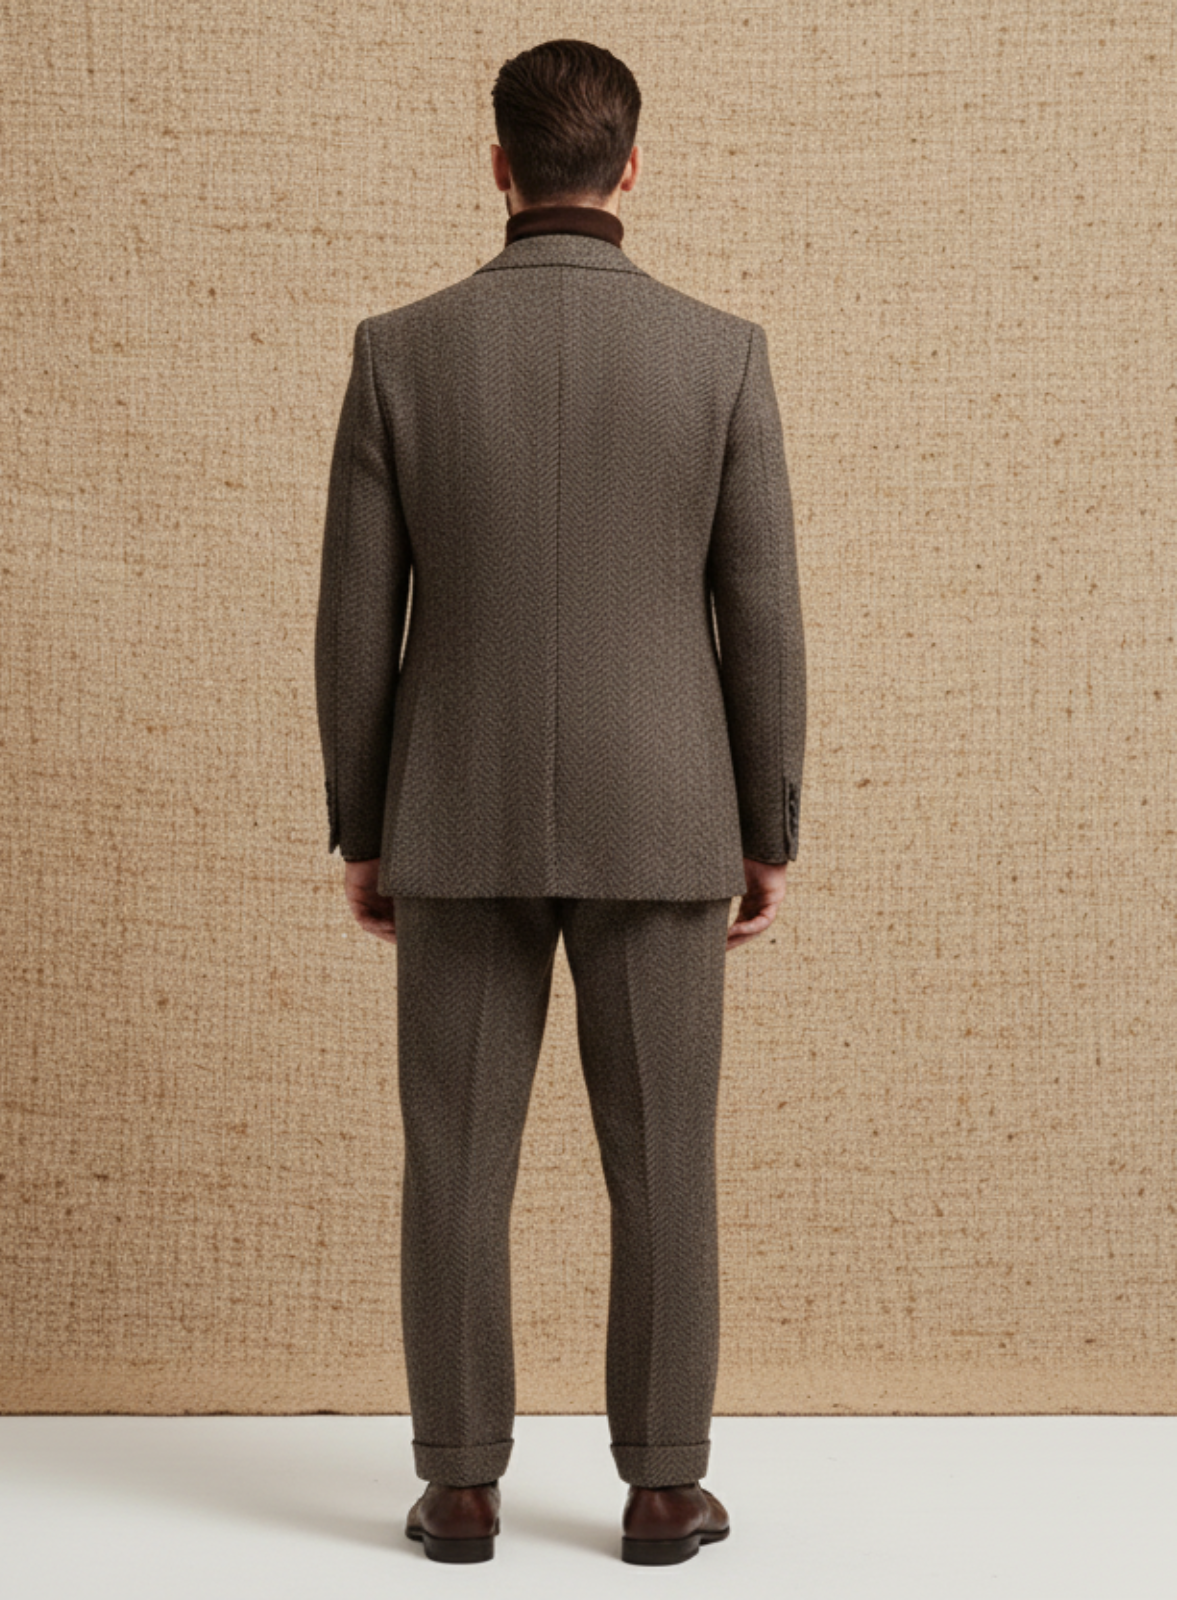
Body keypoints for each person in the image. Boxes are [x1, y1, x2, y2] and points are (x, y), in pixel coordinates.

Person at [314, 37, 806, 1566]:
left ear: (499, 165)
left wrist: (362, 820)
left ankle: (459, 1487)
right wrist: (766, 821)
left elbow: (352, 621)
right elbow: (762, 613)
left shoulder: (403, 351)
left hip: (451, 809)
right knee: (663, 1155)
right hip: (667, 811)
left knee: (452, 1154)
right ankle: (662, 1488)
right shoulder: (718, 352)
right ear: (632, 168)